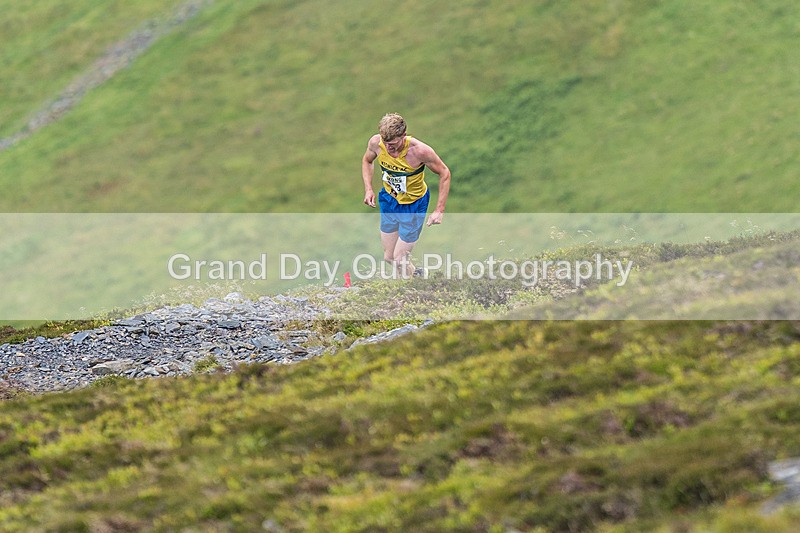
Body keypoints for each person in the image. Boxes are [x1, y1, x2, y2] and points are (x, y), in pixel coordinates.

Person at [361, 113, 451, 277]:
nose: (388, 148)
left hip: (413, 205)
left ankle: (412, 288)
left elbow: (444, 173)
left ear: (403, 135)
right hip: (389, 201)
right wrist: (368, 189)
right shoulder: (376, 143)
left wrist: (439, 210)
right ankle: (418, 276)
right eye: (386, 143)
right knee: (389, 258)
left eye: (393, 144)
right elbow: (367, 161)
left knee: (399, 259)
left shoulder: (420, 151)